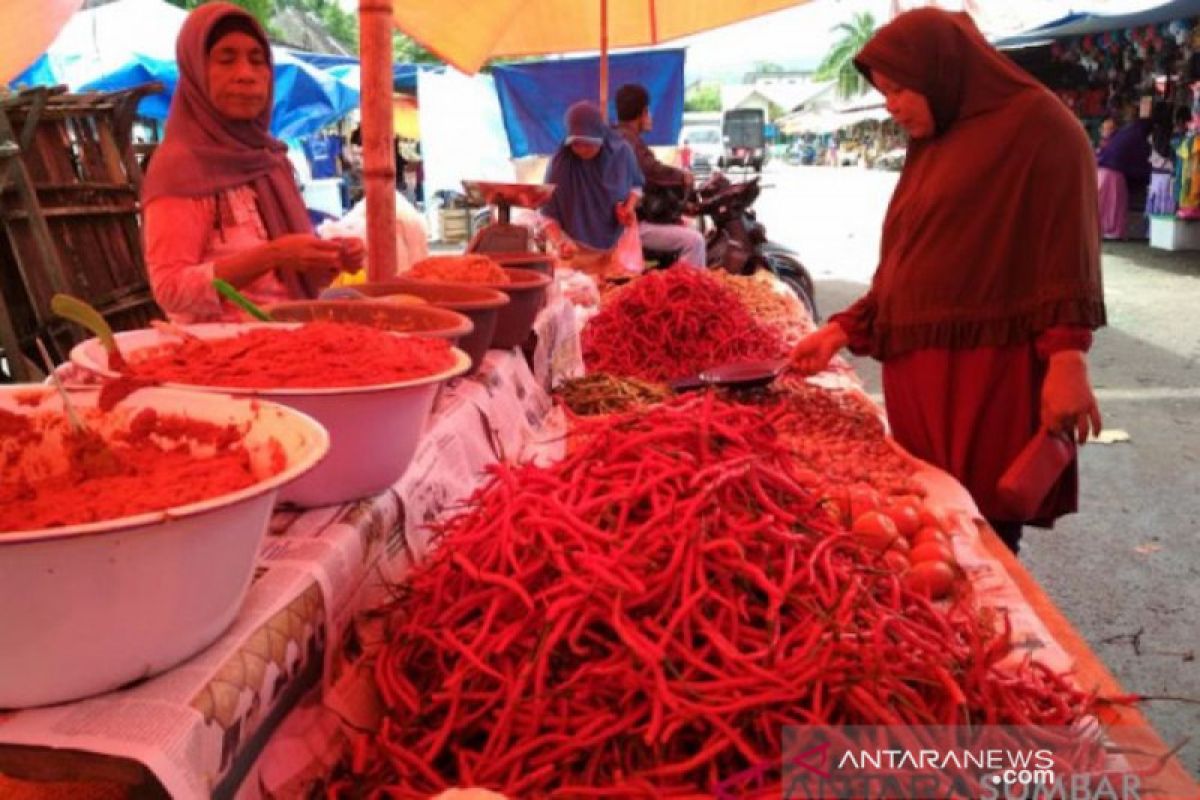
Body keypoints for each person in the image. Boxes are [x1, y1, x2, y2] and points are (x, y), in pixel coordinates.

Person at [789, 8, 1105, 555]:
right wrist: (843, 329)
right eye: (883, 92)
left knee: (984, 522)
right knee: (933, 517)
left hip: (988, 371)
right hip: (921, 380)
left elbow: (1066, 246)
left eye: (899, 89)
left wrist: (1067, 358)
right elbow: (916, 258)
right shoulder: (936, 139)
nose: (891, 105)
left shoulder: (1039, 126)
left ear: (940, 70)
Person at [141, 3, 363, 324]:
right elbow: (170, 290)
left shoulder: (271, 160)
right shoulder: (180, 166)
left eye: (258, 61)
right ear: (196, 72)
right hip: (215, 359)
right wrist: (274, 255)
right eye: (226, 59)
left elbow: (298, 283)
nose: (246, 75)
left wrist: (332, 258)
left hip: (293, 340)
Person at [539, 101, 643, 274]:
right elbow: (547, 213)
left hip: (619, 245)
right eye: (576, 143)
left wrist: (629, 207)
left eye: (589, 143)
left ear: (601, 136)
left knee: (620, 294)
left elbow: (636, 186)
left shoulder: (621, 152)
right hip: (575, 250)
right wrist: (559, 242)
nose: (582, 149)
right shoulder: (560, 164)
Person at [612, 83, 707, 268]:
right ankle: (689, 294)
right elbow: (651, 171)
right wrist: (682, 177)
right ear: (643, 113)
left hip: (625, 221)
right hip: (628, 226)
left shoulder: (618, 136)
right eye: (648, 112)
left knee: (686, 226)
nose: (650, 117)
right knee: (695, 241)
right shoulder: (627, 140)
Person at [1096, 117, 1152, 239]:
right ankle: (1112, 231)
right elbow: (1141, 164)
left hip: (1101, 173)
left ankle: (1100, 229)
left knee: (1103, 204)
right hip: (1114, 175)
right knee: (1115, 204)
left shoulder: (1122, 136)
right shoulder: (1138, 139)